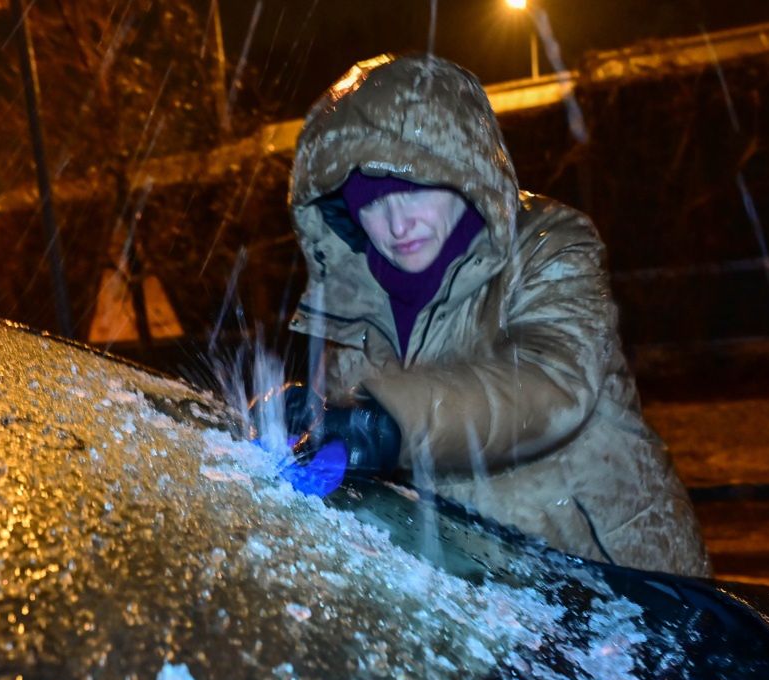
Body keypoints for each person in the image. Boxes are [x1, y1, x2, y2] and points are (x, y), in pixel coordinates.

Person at [286, 53, 711, 577]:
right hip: (481, 595)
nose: (396, 226)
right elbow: (358, 432)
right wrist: (312, 417)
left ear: (461, 173)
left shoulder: (549, 246)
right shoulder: (357, 303)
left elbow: (552, 384)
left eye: (413, 191)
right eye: (372, 205)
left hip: (615, 580)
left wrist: (391, 424)